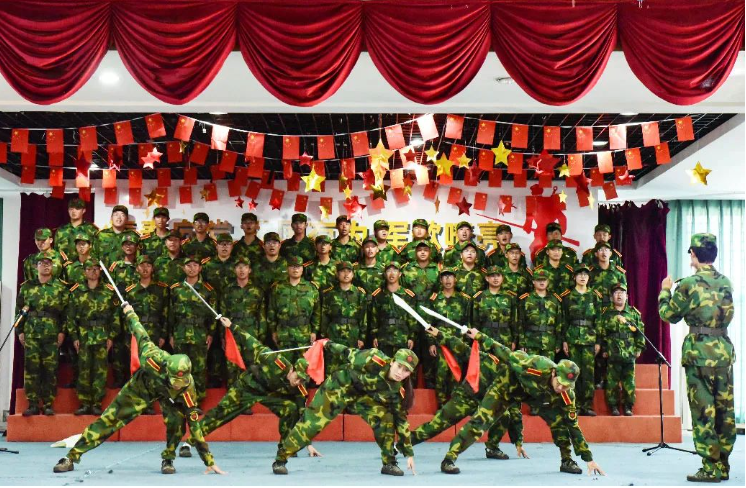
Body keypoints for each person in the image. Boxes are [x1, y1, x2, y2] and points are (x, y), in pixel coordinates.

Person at [53, 303, 225, 475]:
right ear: (167, 370)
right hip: (142, 387)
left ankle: (168, 459)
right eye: (175, 381)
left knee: (176, 424)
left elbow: (194, 426)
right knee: (109, 419)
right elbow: (139, 330)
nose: (177, 384)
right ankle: (71, 457)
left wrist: (208, 460)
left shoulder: (187, 389)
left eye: (181, 382)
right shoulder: (152, 357)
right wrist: (129, 312)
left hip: (169, 397)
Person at [440, 328, 605, 478]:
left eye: (566, 386)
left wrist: (589, 459)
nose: (561, 388)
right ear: (554, 373)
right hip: (509, 388)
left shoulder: (566, 395)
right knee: (481, 421)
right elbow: (504, 353)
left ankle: (566, 460)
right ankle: (449, 458)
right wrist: (480, 337)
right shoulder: (537, 366)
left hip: (537, 399)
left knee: (561, 423)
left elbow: (574, 427)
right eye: (560, 383)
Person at [273, 343, 418, 477]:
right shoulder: (374, 358)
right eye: (399, 366)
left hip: (362, 397)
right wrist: (327, 344)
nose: (400, 372)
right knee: (312, 423)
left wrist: (409, 453)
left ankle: (389, 463)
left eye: (406, 370)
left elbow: (401, 421)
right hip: (339, 386)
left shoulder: (397, 392)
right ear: (392, 362)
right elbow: (347, 352)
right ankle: (280, 460)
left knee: (386, 419)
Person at [658, 233, 735, 482]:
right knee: (724, 411)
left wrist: (665, 291)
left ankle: (710, 468)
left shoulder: (689, 284)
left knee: (703, 412)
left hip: (699, 354)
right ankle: (723, 464)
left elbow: (668, 315)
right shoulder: (726, 282)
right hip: (723, 352)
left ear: (693, 254)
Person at [186, 328, 320, 460]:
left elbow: (302, 416)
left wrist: (308, 445)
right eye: (297, 377)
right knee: (220, 413)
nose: (298, 382)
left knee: (291, 409)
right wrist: (232, 326)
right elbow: (251, 342)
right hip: (247, 388)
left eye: (302, 380)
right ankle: (188, 443)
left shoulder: (300, 389)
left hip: (268, 395)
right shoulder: (274, 360)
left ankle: (286, 448)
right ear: (292, 370)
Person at [407, 327, 526, 461]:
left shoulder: (514, 383)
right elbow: (461, 348)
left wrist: (518, 442)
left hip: (486, 403)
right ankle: (403, 444)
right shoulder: (489, 360)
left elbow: (516, 412)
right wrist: (439, 334)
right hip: (465, 397)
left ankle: (492, 448)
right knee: (436, 426)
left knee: (505, 415)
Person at [16, 255, 70, 416]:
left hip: (51, 333)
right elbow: (19, 311)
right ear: (35, 266)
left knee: (50, 369)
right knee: (31, 368)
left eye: (49, 263)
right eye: (42, 263)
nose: (46, 266)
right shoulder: (27, 287)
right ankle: (32, 403)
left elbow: (66, 313)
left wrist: (62, 332)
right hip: (31, 332)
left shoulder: (60, 288)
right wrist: (20, 331)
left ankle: (47, 404)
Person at [66, 259, 120, 415]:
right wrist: (74, 337)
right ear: (84, 272)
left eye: (96, 268)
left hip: (102, 334)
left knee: (100, 370)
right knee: (83, 369)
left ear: (100, 271)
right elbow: (70, 317)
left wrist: (111, 336)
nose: (93, 271)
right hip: (84, 334)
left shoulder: (109, 291)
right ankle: (84, 403)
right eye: (89, 269)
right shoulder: (77, 291)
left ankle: (96, 403)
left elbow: (115, 316)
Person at [168, 256, 217, 404]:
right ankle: (181, 400)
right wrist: (170, 334)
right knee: (179, 369)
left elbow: (213, 314)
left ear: (200, 268)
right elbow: (169, 313)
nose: (192, 268)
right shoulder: (176, 289)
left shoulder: (208, 290)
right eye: (188, 265)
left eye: (195, 265)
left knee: (198, 370)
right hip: (180, 333)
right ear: (183, 268)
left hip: (199, 334)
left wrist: (211, 334)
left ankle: (196, 401)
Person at [559, 265, 603, 416]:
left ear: (589, 278)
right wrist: (564, 340)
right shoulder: (568, 297)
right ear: (574, 277)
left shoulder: (594, 296)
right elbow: (564, 320)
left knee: (588, 374)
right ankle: (575, 404)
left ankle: (587, 405)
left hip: (589, 339)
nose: (583, 277)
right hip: (573, 338)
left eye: (585, 275)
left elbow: (599, 320)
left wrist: (598, 341)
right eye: (579, 274)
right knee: (573, 373)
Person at [426, 269, 472, 406]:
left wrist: (466, 344)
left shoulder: (463, 299)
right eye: (444, 277)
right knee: (441, 374)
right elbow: (429, 324)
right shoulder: (434, 299)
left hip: (457, 342)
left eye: (450, 276)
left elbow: (468, 323)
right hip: (440, 342)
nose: (447, 279)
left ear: (455, 279)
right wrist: (431, 343)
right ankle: (441, 405)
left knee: (456, 373)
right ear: (441, 280)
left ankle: (454, 406)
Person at [598, 283, 645, 417]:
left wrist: (639, 348)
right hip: (612, 351)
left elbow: (640, 332)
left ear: (627, 296)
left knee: (629, 381)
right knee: (612, 381)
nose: (619, 295)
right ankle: (613, 406)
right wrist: (604, 349)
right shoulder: (606, 314)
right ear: (612, 297)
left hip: (629, 351)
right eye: (616, 293)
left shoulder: (633, 314)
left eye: (622, 293)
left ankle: (628, 406)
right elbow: (602, 333)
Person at [219, 256, 267, 387]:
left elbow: (262, 315)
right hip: (232, 333)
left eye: (245, 267)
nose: (242, 270)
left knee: (251, 364)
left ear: (249, 270)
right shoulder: (228, 290)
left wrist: (261, 336)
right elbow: (222, 315)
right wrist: (222, 336)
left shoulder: (257, 290)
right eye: (239, 267)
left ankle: (250, 394)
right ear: (234, 270)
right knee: (233, 365)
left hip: (251, 332)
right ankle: (233, 394)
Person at [267, 255, 320, 363]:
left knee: (303, 367)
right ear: (287, 268)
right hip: (283, 334)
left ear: (302, 269)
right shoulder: (278, 288)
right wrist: (273, 331)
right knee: (284, 367)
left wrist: (314, 331)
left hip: (304, 335)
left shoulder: (311, 288)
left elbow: (317, 312)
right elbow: (271, 310)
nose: (295, 269)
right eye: (292, 266)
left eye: (298, 266)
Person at [318, 261, 367, 375]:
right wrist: (324, 336)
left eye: (349, 271)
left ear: (353, 274)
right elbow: (325, 316)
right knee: (332, 366)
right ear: (337, 274)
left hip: (352, 334)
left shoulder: (359, 294)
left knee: (351, 366)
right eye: (342, 271)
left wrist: (362, 337)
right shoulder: (329, 294)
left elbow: (363, 317)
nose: (346, 274)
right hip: (334, 333)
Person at [369, 262, 418, 357]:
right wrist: (374, 336)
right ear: (385, 274)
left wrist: (411, 337)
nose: (392, 274)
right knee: (384, 364)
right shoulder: (378, 295)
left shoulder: (408, 295)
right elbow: (374, 317)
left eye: (395, 270)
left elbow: (412, 318)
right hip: (383, 338)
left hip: (402, 337)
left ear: (400, 274)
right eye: (389, 271)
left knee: (401, 364)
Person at [518, 268, 563, 359]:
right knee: (532, 368)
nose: (542, 282)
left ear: (548, 281)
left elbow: (559, 322)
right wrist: (522, 343)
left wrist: (558, 342)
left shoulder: (554, 300)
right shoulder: (526, 299)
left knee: (548, 367)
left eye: (544, 280)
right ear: (533, 281)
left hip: (549, 343)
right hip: (531, 343)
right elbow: (520, 322)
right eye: (539, 280)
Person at [53, 197, 98, 264]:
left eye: (77, 208)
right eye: (71, 209)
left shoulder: (91, 229)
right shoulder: (61, 230)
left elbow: (96, 251)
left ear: (83, 210)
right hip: (65, 267)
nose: (73, 211)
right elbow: (56, 252)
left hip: (85, 267)